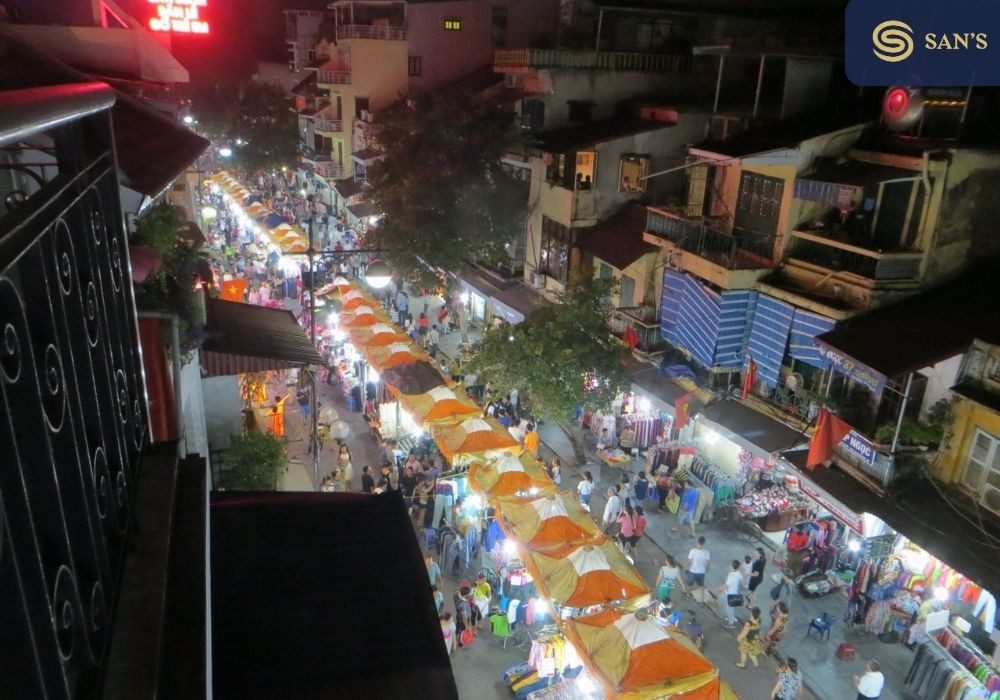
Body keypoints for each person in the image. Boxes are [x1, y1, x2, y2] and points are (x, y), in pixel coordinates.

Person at [715, 560, 743, 628]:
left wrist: (717, 590)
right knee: (731, 608)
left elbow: (726, 586)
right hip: (736, 593)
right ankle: (732, 618)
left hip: (730, 594)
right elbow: (740, 582)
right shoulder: (739, 573)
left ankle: (731, 623)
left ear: (732, 566)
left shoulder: (731, 576)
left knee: (729, 609)